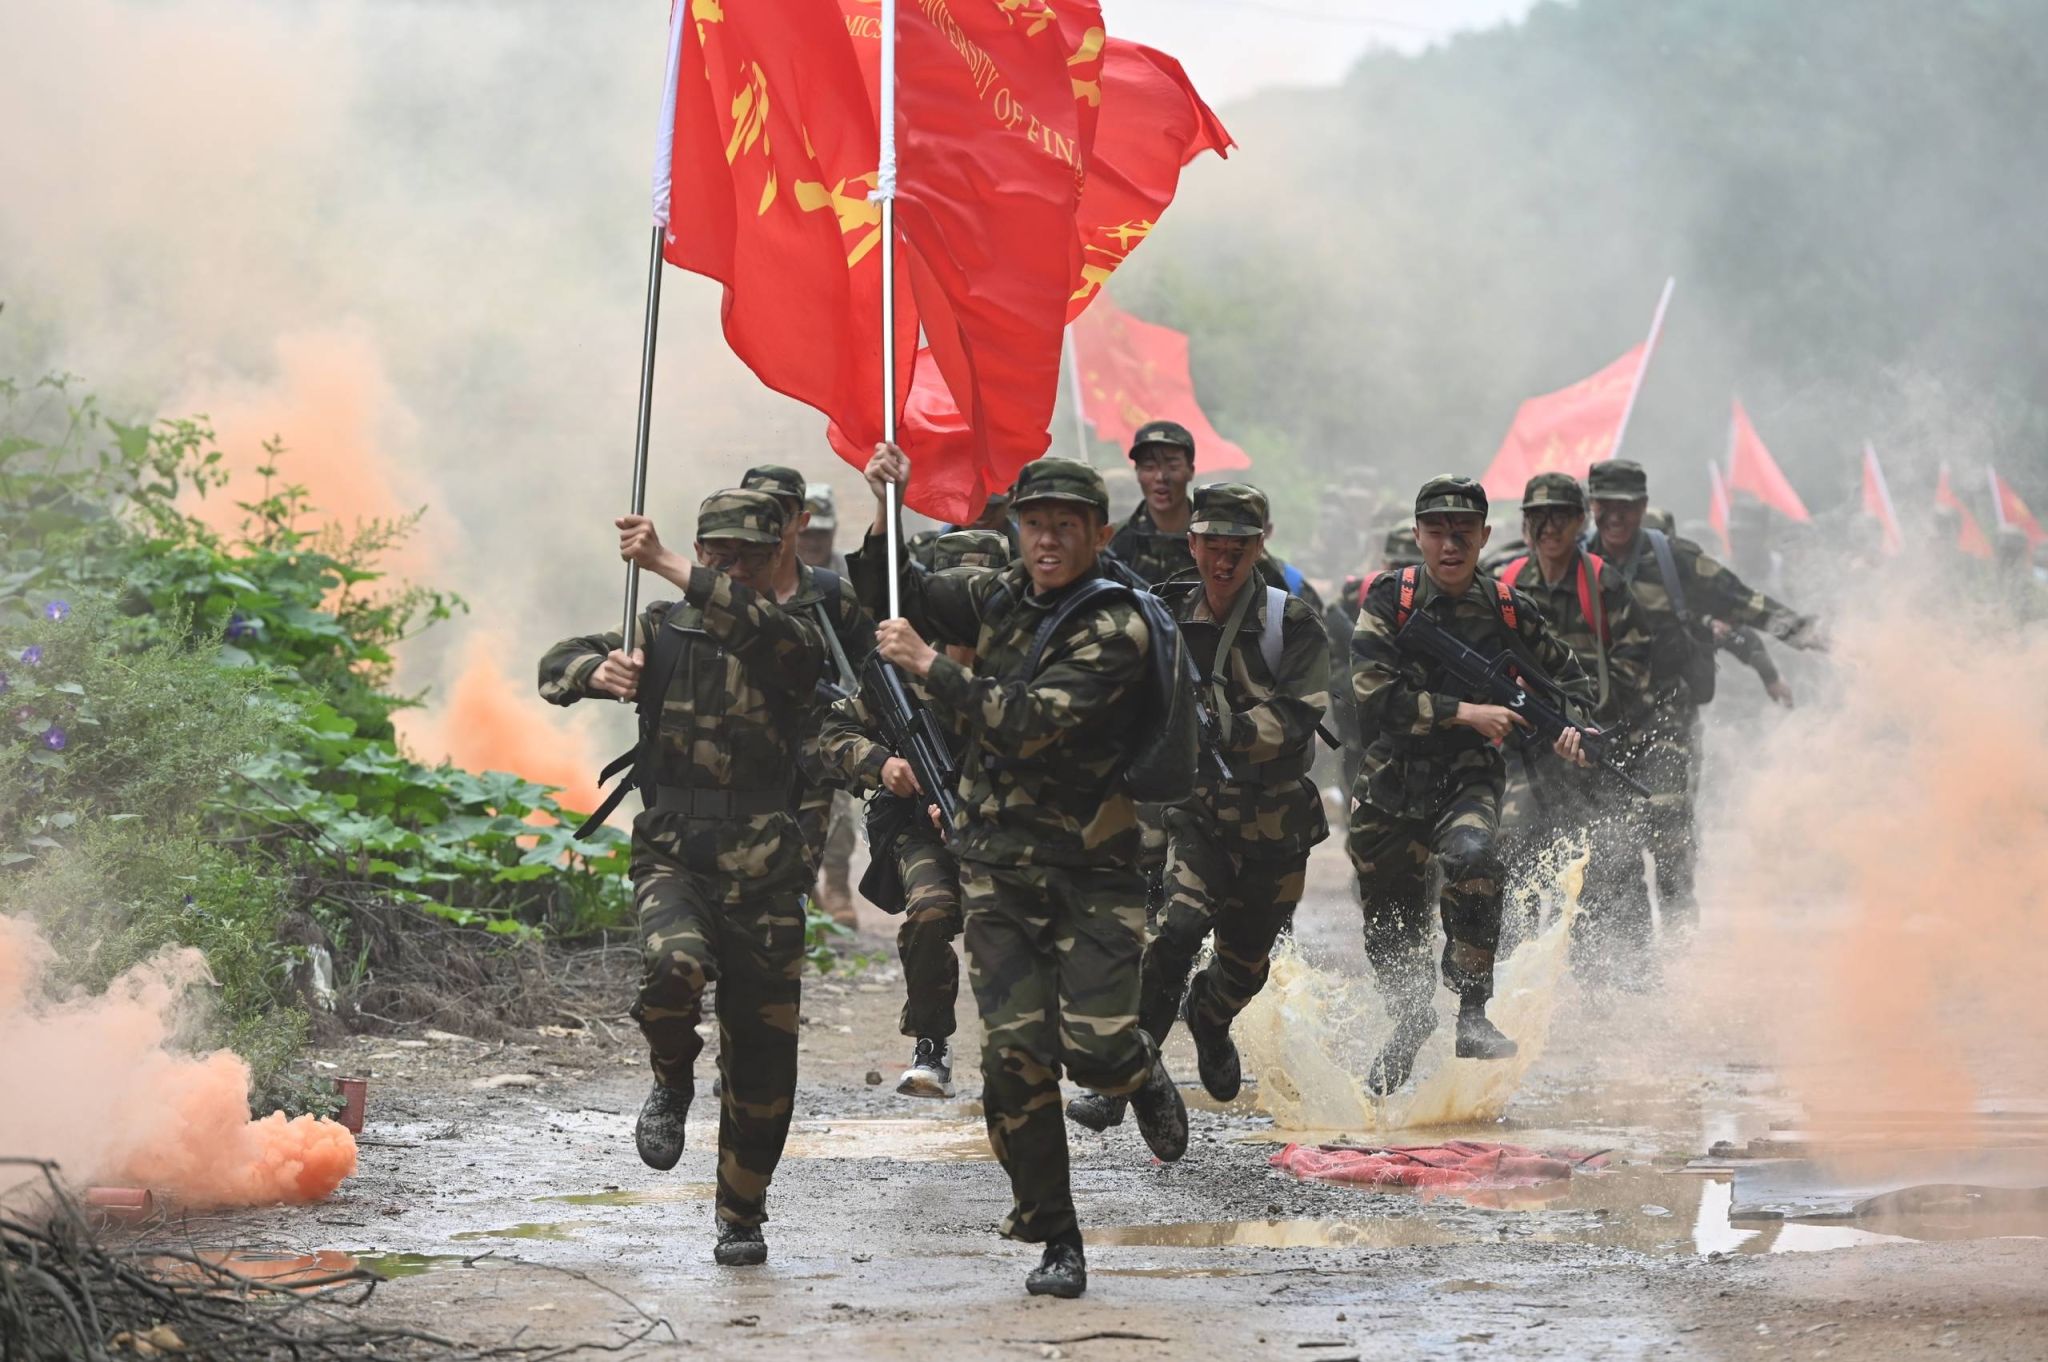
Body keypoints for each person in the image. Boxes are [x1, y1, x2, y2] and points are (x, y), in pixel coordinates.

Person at [854, 446, 1188, 1300]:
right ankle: (1055, 1235)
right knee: (1014, 1060)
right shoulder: (999, 592)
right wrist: (887, 506)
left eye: (1064, 527)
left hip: (1093, 868)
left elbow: (1036, 721)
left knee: (1096, 1050)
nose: (1046, 541)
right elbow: (896, 590)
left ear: (1098, 534)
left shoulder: (1117, 625)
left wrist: (931, 666)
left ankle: (1137, 1069)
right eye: (1033, 524)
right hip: (998, 869)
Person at [537, 490, 825, 1268]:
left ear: (776, 558)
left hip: (765, 867)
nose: (730, 568)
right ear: (701, 552)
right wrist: (597, 672)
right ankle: (671, 1079)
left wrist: (663, 561)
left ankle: (741, 1214)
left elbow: (770, 637)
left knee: (762, 1056)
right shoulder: (661, 630)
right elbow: (553, 665)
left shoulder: (794, 635)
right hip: (673, 851)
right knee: (674, 966)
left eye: (747, 556)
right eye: (716, 554)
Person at [1067, 484, 1330, 1132]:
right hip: (1198, 813)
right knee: (1176, 930)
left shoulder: (1291, 622)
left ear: (1258, 546)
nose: (1224, 558)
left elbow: (1299, 715)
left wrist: (1226, 729)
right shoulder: (1164, 618)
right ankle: (1123, 1079)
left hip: (1274, 824)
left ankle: (1209, 1019)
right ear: (1193, 544)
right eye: (1213, 544)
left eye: (1238, 546)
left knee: (1244, 967)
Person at [1350, 476, 1595, 1095]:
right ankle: (1409, 1019)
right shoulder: (1391, 598)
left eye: (1463, 532)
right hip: (1391, 780)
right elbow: (1372, 695)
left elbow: (1571, 681)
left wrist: (1571, 731)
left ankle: (1472, 1010)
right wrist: (1465, 711)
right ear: (1418, 535)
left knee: (1476, 857)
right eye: (1437, 531)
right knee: (1390, 922)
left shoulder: (1509, 609)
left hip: (1467, 776)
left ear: (1485, 536)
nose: (1450, 544)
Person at [1584, 459, 1826, 934]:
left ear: (1642, 506)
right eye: (1604, 505)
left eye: (1625, 506)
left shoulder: (1673, 560)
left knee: (1668, 825)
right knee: (1612, 848)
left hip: (1665, 718)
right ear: (1592, 505)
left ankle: (1680, 943)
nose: (1615, 516)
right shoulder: (1574, 560)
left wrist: (1803, 633)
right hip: (1598, 725)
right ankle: (1629, 957)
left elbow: (1741, 601)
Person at [818, 529, 1012, 1099]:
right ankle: (931, 1043)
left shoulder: (1024, 669)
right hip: (921, 830)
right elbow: (832, 733)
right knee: (929, 916)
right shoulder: (898, 670)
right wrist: (882, 765)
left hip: (1011, 834)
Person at [1491, 473, 1656, 986]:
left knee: (1607, 858)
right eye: (1538, 517)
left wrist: (1583, 722)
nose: (1549, 527)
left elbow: (1634, 668)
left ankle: (1609, 978)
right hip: (1521, 751)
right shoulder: (1503, 583)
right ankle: (1511, 977)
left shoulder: (1604, 584)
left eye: (1560, 515)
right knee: (1511, 851)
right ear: (1525, 522)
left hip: (1590, 748)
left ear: (1580, 520)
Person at [740, 463, 877, 927]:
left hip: (818, 743)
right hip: (742, 752)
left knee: (825, 824)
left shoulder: (834, 589)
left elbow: (870, 666)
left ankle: (829, 888)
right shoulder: (723, 586)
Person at [1107, 420, 1199, 586]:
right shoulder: (1113, 543)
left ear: (1190, 471)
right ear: (1137, 472)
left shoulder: (1213, 539)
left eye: (1172, 466)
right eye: (1149, 467)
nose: (1160, 477)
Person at [797, 483, 848, 574]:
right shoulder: (774, 570)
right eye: (805, 534)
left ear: (833, 531)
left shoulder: (853, 570)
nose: (813, 542)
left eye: (821, 533)